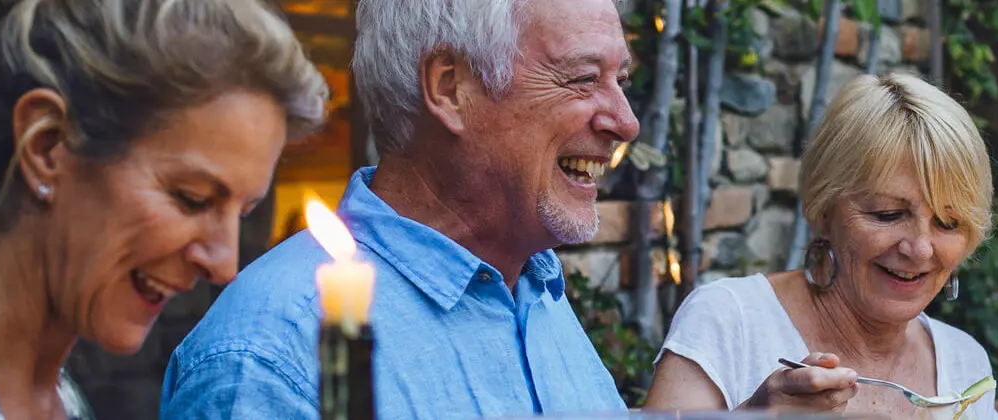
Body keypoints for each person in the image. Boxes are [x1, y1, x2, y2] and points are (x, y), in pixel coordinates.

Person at [160, 0, 639, 417]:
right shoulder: (271, 355)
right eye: (583, 79)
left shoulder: (535, 291)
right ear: (450, 88)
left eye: (621, 80)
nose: (626, 122)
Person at [0, 0, 326, 418]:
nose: (224, 266)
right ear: (46, 147)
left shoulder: (60, 399)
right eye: (192, 198)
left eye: (242, 212)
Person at [642, 73, 998, 419]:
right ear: (824, 210)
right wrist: (755, 416)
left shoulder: (964, 363)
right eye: (888, 214)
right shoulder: (730, 321)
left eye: (948, 223)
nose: (920, 249)